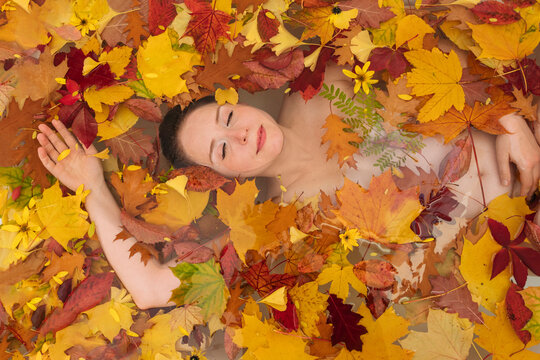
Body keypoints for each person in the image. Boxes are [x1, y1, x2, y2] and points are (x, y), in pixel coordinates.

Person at [36, 62, 540, 309]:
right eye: (222, 149)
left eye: (228, 116)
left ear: (237, 98)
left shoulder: (324, 84)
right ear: (217, 177)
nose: (240, 134)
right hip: (520, 239)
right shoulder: (285, 223)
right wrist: (94, 189)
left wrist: (511, 121)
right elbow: (150, 290)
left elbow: (440, 62)